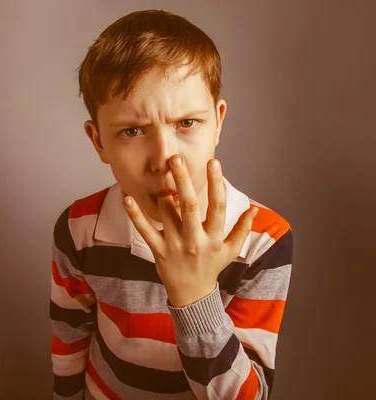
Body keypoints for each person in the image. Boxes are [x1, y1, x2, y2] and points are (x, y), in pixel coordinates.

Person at [49, 9, 293, 400]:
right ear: (98, 142)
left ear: (218, 121)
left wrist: (195, 295)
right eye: (132, 131)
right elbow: (69, 335)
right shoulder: (79, 228)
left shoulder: (263, 238)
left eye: (186, 123)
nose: (166, 157)